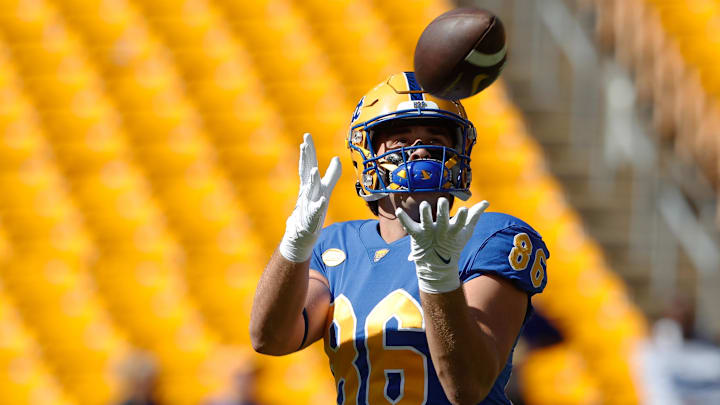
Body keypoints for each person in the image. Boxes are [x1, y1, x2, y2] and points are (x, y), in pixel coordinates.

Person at [250, 72, 549, 405]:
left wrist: (439, 277)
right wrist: (294, 243)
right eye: (402, 141)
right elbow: (270, 339)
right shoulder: (336, 245)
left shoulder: (491, 235)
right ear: (366, 155)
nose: (419, 152)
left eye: (434, 139)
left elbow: (467, 386)